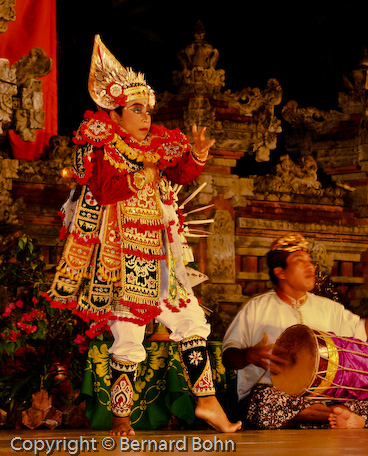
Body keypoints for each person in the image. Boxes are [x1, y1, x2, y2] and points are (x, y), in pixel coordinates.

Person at [44, 35, 241, 435]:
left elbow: (180, 174)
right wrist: (143, 176)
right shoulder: (100, 144)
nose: (146, 116)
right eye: (136, 109)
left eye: (148, 109)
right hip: (122, 258)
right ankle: (121, 420)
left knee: (190, 322)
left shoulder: (156, 147)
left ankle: (207, 403)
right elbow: (104, 190)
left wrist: (198, 156)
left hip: (162, 257)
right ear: (114, 114)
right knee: (129, 336)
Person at [222, 232, 368, 430]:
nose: (310, 267)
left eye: (310, 261)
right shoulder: (256, 308)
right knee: (266, 402)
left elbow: (366, 335)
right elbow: (228, 356)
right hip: (278, 395)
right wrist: (250, 355)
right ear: (280, 272)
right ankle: (344, 418)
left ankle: (330, 416)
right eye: (300, 261)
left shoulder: (329, 308)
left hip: (326, 395)